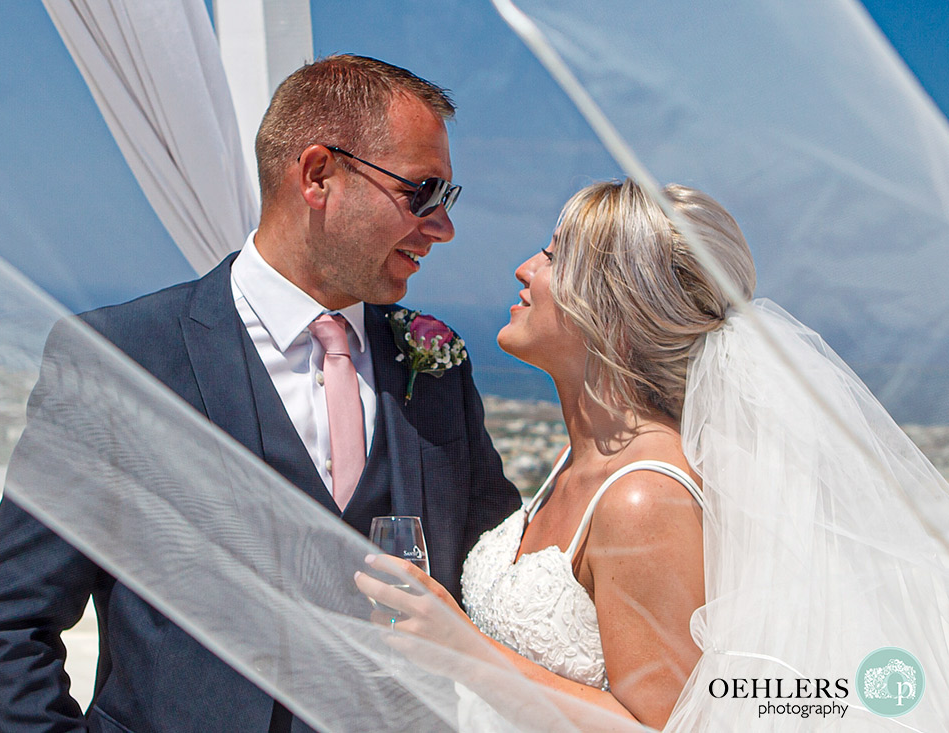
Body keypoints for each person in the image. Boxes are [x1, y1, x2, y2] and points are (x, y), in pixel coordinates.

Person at [0, 54, 520, 732]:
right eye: (421, 193)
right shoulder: (124, 357)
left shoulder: (435, 364)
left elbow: (497, 579)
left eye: (447, 200)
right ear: (319, 175)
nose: (443, 227)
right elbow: (11, 618)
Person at [355, 177, 949, 729]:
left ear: (612, 310)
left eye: (555, 257)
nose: (523, 269)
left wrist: (465, 653)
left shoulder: (642, 497)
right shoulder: (579, 462)